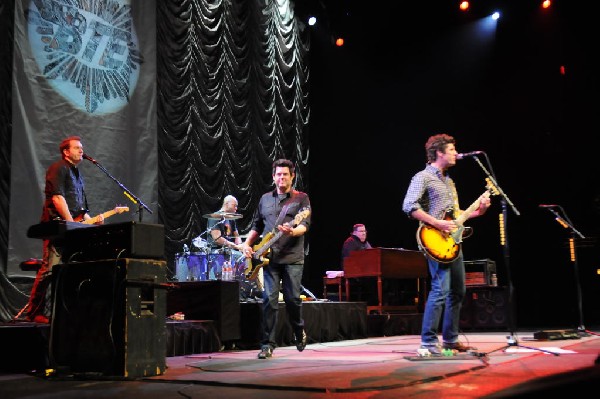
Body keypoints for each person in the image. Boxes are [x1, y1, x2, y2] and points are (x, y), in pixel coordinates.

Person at [402, 133, 491, 355]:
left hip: (453, 242)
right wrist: (437, 223)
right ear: (439, 153)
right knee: (440, 289)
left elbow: (456, 216)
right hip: (435, 240)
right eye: (451, 150)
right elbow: (408, 206)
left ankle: (450, 340)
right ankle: (428, 342)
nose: (455, 153)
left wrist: (479, 211)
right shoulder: (422, 177)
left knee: (458, 291)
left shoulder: (449, 181)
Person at [23, 136, 104, 323]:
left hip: (70, 228)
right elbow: (57, 198)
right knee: (49, 270)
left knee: (70, 271)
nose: (81, 151)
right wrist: (71, 224)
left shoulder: (77, 174)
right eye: (77, 148)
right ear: (66, 152)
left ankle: (66, 312)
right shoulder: (58, 168)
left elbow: (81, 208)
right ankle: (34, 313)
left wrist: (90, 221)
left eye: (82, 148)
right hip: (57, 228)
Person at [240, 158, 311, 359]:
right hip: (270, 258)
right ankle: (267, 345)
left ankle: (298, 330)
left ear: (292, 176)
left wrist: (292, 231)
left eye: (285, 174)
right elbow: (257, 225)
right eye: (278, 174)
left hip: (293, 257)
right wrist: (247, 244)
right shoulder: (264, 199)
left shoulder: (301, 199)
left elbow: (304, 225)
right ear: (273, 177)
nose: (281, 177)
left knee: (292, 299)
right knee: (269, 300)